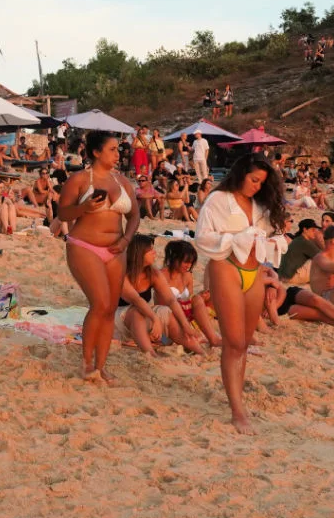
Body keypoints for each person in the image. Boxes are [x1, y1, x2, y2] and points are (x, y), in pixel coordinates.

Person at [193, 153, 289, 433]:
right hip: (227, 268)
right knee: (233, 342)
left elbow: (268, 234)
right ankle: (237, 409)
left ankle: (238, 400)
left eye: (262, 182)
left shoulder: (260, 204)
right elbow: (202, 238)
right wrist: (236, 239)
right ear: (240, 173)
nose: (257, 186)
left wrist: (274, 240)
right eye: (254, 180)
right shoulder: (218, 200)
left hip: (254, 272)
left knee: (244, 343)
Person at [58, 130, 140, 383]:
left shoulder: (122, 182)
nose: (118, 154)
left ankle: (100, 366)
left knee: (110, 308)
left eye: (118, 149)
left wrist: (126, 240)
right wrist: (84, 207)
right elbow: (63, 214)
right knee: (101, 304)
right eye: (113, 149)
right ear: (96, 152)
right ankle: (85, 363)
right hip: (84, 246)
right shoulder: (80, 179)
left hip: (117, 248)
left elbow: (135, 215)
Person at [116, 235, 205, 356]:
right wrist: (154, 318)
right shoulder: (122, 272)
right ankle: (151, 354)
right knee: (136, 311)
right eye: (151, 250)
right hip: (117, 318)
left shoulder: (153, 273)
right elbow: (136, 300)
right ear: (139, 252)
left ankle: (200, 351)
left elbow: (171, 300)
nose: (155, 252)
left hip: (143, 317)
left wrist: (185, 326)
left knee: (166, 311)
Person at [160, 240, 219, 346]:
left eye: (191, 262)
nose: (189, 265)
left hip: (185, 314)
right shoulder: (162, 275)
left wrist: (202, 296)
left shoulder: (188, 276)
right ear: (175, 258)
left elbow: (189, 297)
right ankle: (206, 337)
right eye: (186, 261)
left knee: (206, 297)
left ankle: (212, 337)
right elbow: (164, 303)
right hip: (170, 314)